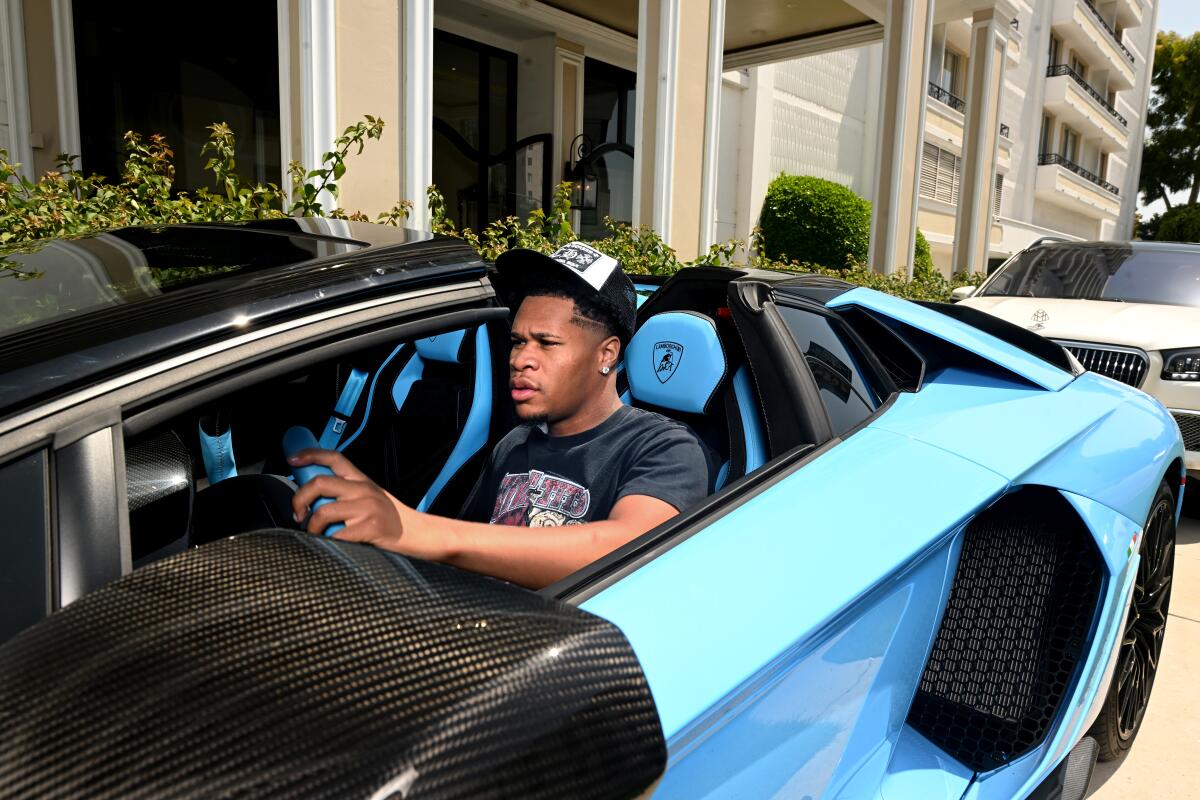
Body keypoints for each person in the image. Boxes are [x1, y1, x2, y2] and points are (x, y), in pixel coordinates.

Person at [288, 242, 713, 588]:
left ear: (606, 354)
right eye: (516, 341)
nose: (521, 359)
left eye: (546, 343)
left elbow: (626, 548)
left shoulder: (665, 448)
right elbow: (468, 556)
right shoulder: (515, 445)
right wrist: (380, 518)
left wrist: (413, 528)